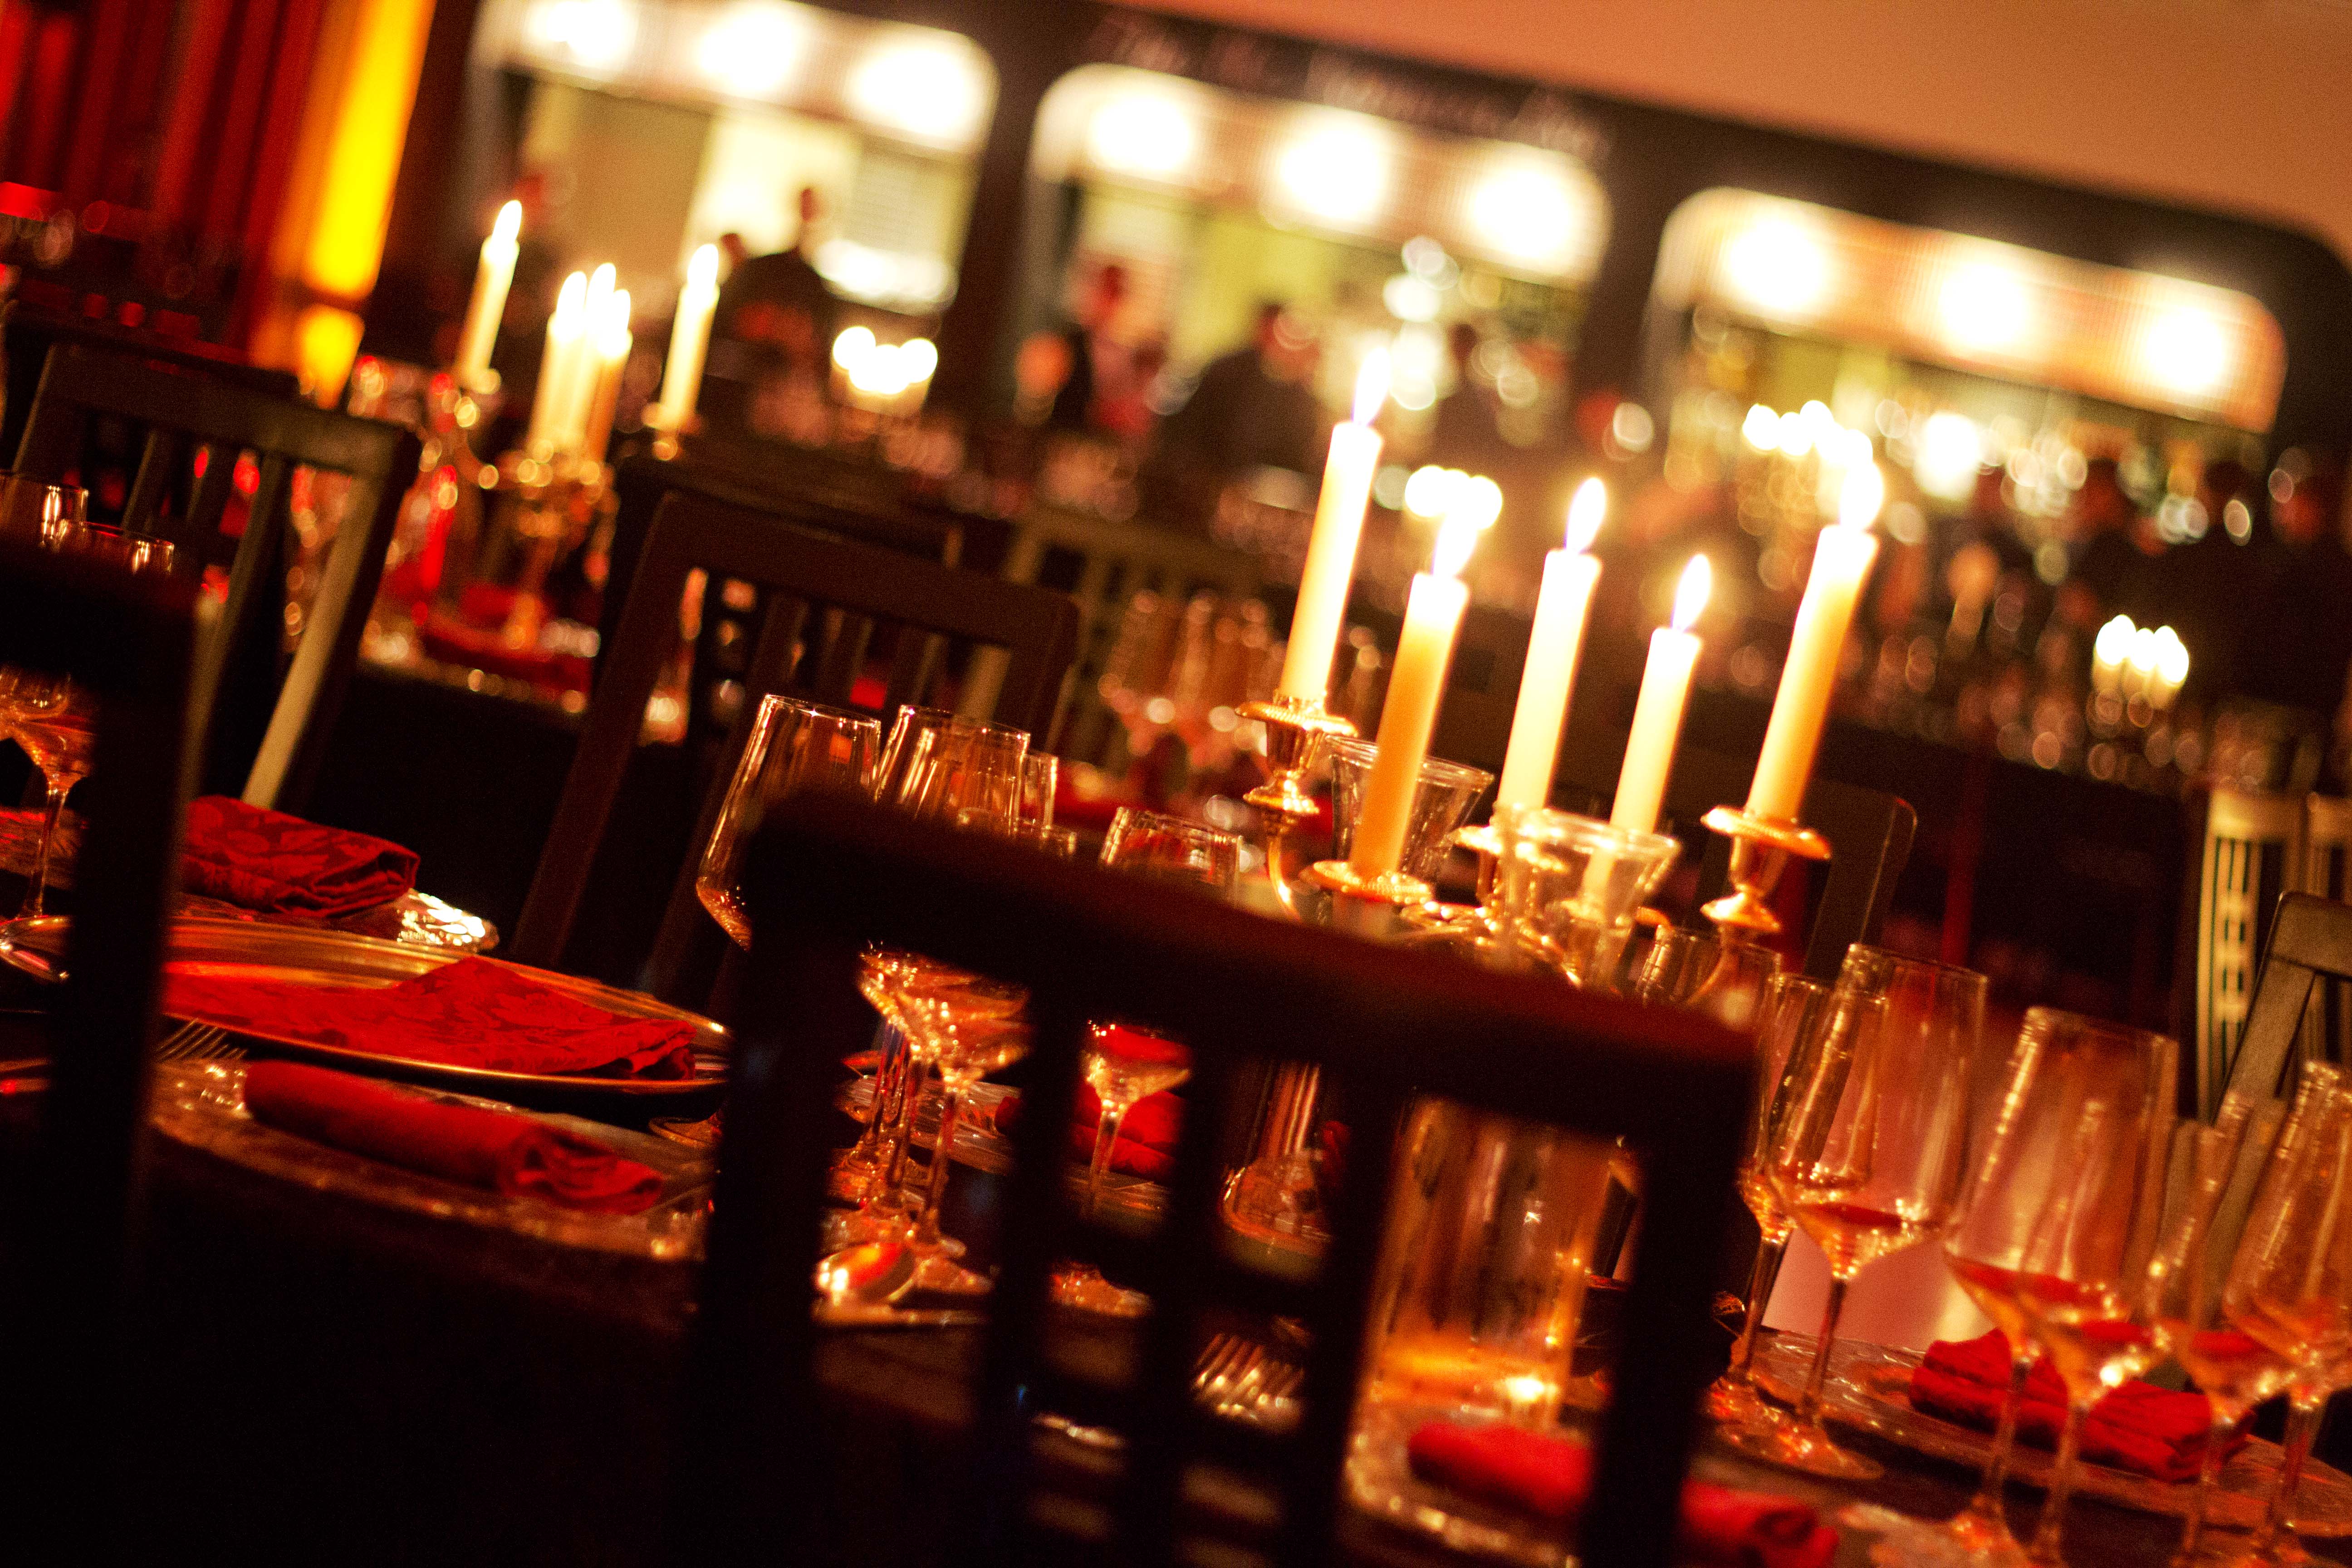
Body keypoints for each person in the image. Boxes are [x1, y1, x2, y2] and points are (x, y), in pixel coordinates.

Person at [701, 187, 834, 437]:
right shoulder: (757, 273)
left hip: (781, 409)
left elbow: (818, 357)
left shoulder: (816, 289)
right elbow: (719, 328)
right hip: (727, 399)